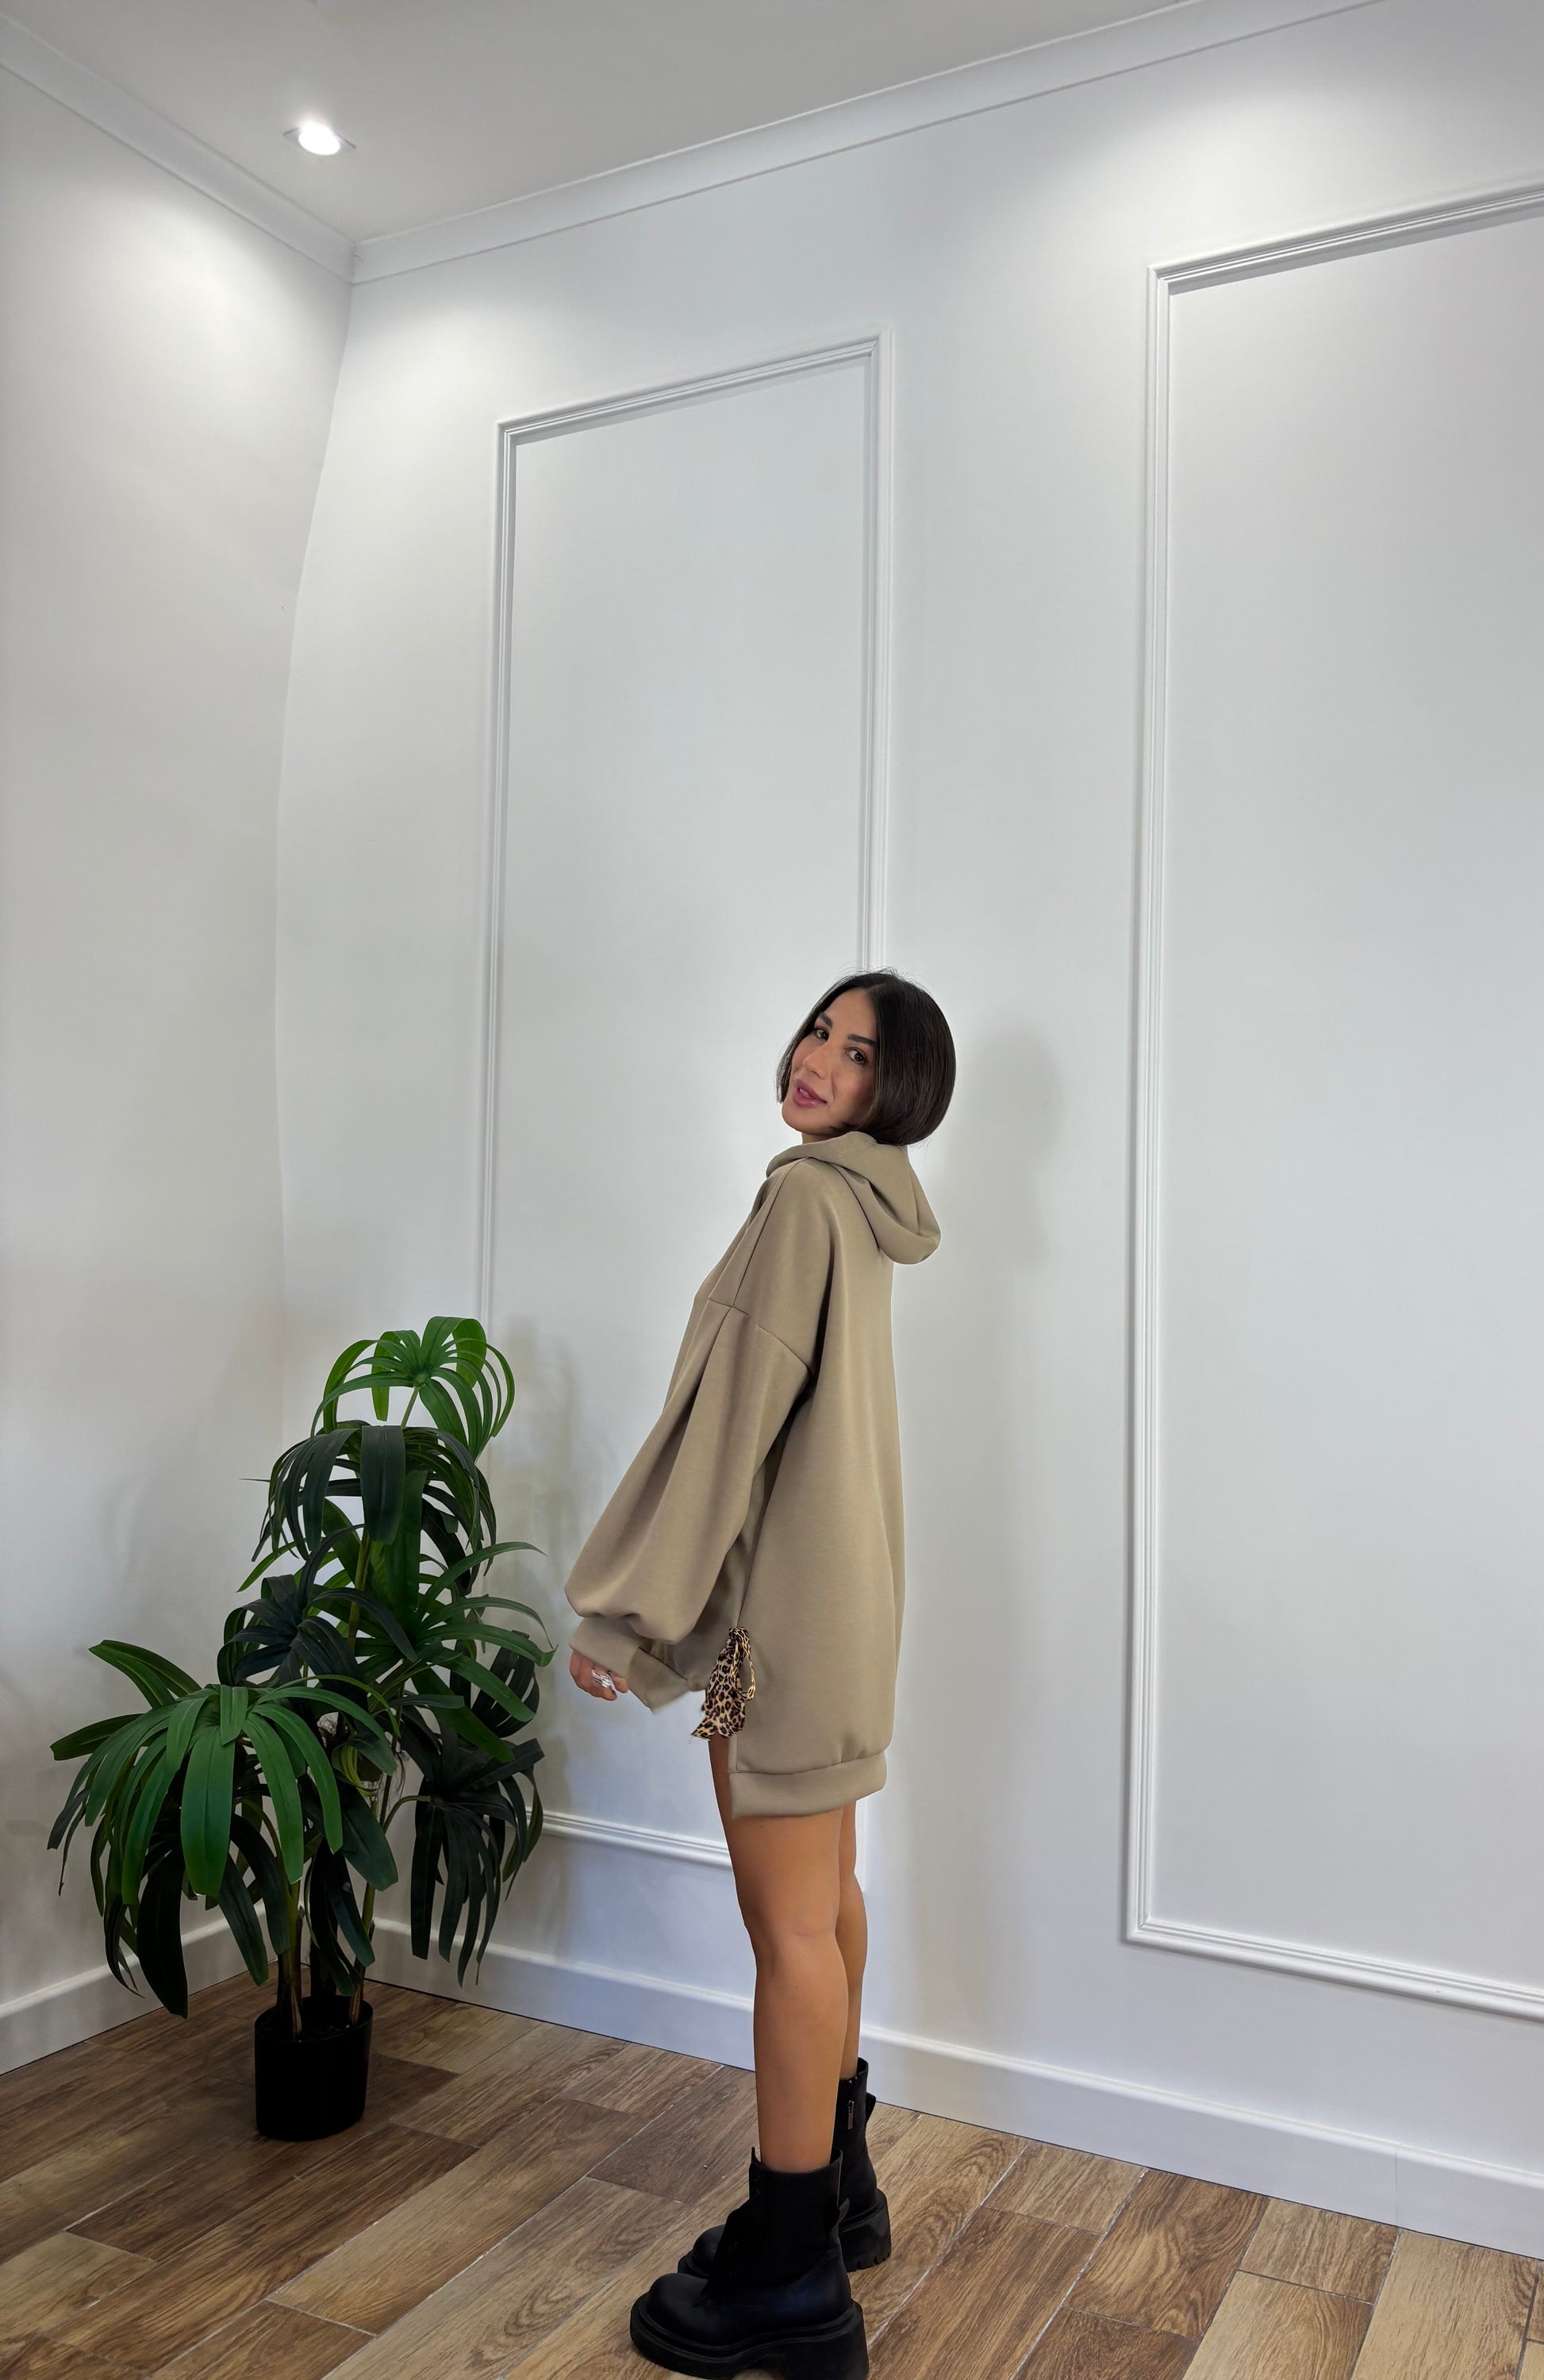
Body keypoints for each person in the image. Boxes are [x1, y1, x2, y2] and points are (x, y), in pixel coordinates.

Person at [565, 967, 954, 2380]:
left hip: (768, 1636)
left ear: (893, 1090)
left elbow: (725, 1422)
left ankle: (790, 2275)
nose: (818, 1061)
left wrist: (624, 1618)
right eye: (816, 1032)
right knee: (824, 1898)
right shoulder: (867, 1206)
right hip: (840, 1615)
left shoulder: (804, 1202)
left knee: (784, 1928)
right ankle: (836, 2187)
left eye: (856, 1054)